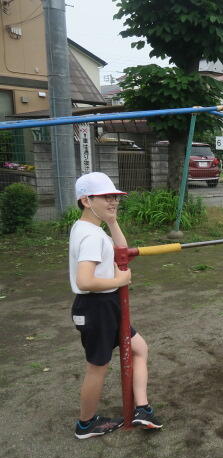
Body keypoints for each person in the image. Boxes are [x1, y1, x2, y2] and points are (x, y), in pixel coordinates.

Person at [69, 172, 162, 439]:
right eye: (106, 197)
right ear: (86, 200)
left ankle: (141, 408)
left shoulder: (88, 228)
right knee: (97, 366)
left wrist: (112, 221)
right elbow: (85, 280)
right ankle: (85, 424)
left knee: (139, 348)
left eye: (115, 197)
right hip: (96, 307)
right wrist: (119, 280)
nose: (113, 201)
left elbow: (122, 252)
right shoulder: (91, 236)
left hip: (105, 305)